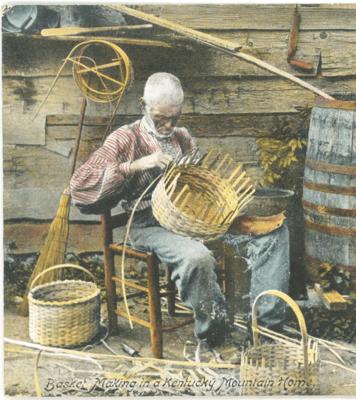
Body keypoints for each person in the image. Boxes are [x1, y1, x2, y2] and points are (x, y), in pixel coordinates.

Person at [69, 72, 290, 360]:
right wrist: (134, 165)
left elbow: (199, 182)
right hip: (148, 224)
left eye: (175, 117)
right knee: (196, 257)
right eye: (161, 118)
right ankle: (216, 334)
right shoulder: (125, 138)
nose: (169, 125)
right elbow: (79, 185)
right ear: (143, 105)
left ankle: (265, 330)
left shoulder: (182, 136)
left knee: (273, 233)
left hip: (193, 217)